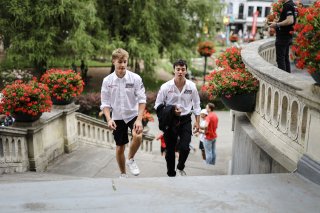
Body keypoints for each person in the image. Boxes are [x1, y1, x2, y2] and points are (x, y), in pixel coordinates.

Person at [100, 48, 146, 178]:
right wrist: (109, 119)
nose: (122, 64)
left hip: (132, 114)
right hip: (117, 117)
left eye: (125, 61)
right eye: (120, 61)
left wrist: (139, 119)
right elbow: (105, 104)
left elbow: (142, 100)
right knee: (120, 147)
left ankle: (130, 159)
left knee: (138, 135)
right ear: (114, 61)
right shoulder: (107, 81)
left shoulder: (135, 78)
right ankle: (123, 174)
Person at [155, 59, 201, 177]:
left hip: (185, 119)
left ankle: (180, 166)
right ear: (174, 70)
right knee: (170, 150)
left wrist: (197, 122)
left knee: (185, 148)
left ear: (186, 71)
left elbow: (196, 105)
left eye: (183, 69)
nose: (180, 72)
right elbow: (158, 104)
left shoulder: (192, 86)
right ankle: (171, 173)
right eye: (178, 69)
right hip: (171, 121)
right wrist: (170, 111)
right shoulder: (166, 87)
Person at [269, 0, 298, 73]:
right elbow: (295, 21)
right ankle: (287, 78)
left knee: (281, 59)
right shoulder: (294, 5)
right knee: (285, 58)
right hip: (288, 35)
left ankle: (283, 79)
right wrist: (278, 22)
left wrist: (276, 25)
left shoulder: (288, 5)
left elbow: (290, 20)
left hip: (283, 35)